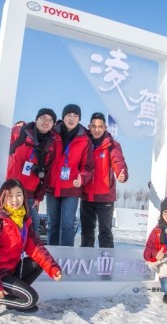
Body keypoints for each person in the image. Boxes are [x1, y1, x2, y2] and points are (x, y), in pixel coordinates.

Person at [0, 179, 62, 321]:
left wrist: (52, 268)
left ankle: (13, 299)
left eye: (19, 195)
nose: (15, 199)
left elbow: (36, 247)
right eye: (10, 195)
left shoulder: (23, 221)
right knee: (30, 300)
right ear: (2, 197)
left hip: (8, 271)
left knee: (37, 263)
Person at [6, 108, 61, 236]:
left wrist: (38, 197)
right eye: (43, 118)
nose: (46, 122)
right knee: (10, 225)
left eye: (50, 120)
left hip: (30, 194)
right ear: (36, 119)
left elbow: (45, 174)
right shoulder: (20, 132)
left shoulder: (51, 144)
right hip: (11, 190)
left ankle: (29, 255)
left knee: (34, 225)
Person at [45, 104, 93, 246]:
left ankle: (66, 258)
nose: (71, 119)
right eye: (68, 115)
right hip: (52, 187)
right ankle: (51, 258)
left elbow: (88, 166)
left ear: (79, 119)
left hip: (72, 188)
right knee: (52, 224)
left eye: (75, 116)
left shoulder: (85, 139)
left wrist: (82, 177)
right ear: (63, 117)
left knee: (67, 225)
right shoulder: (52, 133)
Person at [80, 112, 128, 248]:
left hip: (105, 197)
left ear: (105, 128)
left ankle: (106, 262)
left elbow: (118, 161)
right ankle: (86, 261)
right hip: (86, 196)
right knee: (87, 231)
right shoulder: (84, 141)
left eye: (100, 127)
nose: (97, 129)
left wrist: (121, 173)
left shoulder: (112, 144)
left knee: (105, 232)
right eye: (94, 126)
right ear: (89, 127)